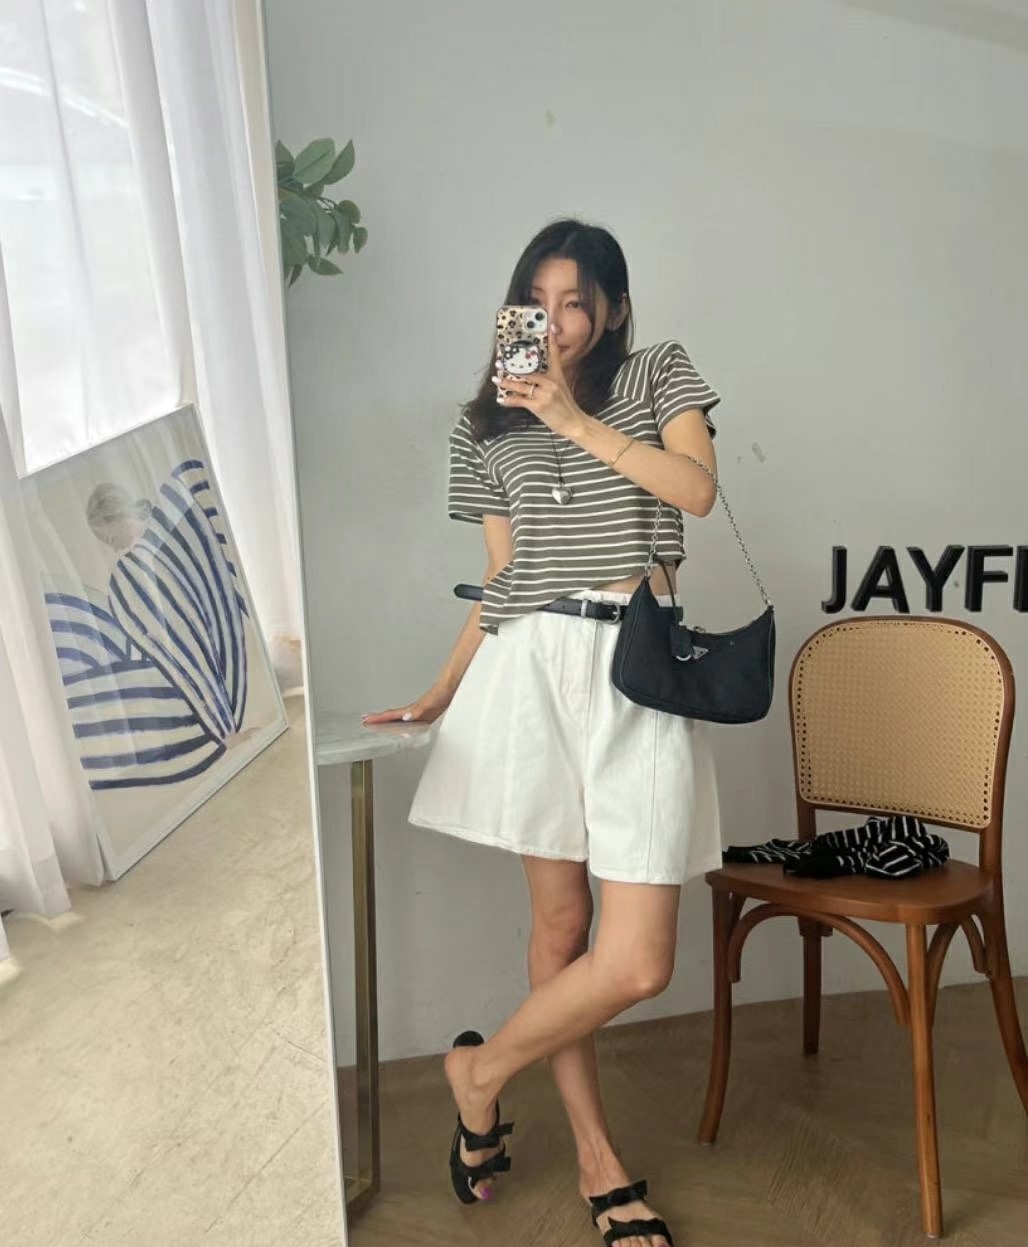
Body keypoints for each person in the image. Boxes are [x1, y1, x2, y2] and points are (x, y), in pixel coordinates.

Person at [363, 219, 725, 1247]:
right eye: (537, 300)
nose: (556, 322)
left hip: (636, 664)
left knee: (637, 959)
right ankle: (598, 1162)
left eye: (576, 301)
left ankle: (477, 1073)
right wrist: (444, 687)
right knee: (561, 930)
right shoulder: (481, 422)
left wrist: (571, 418)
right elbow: (502, 574)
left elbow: (696, 491)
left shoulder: (656, 373)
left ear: (613, 308)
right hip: (529, 667)